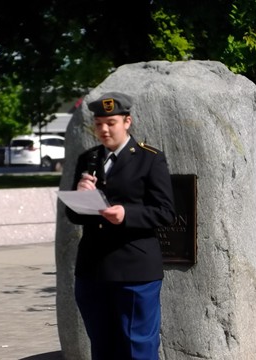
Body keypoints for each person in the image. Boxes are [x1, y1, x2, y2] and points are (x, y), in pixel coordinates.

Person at [66, 92, 176, 360]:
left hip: (134, 270)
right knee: (102, 346)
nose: (103, 129)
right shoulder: (88, 159)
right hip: (93, 270)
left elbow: (166, 212)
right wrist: (80, 198)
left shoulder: (150, 159)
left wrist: (127, 214)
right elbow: (75, 216)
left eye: (111, 123)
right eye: (99, 123)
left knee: (138, 347)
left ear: (127, 122)